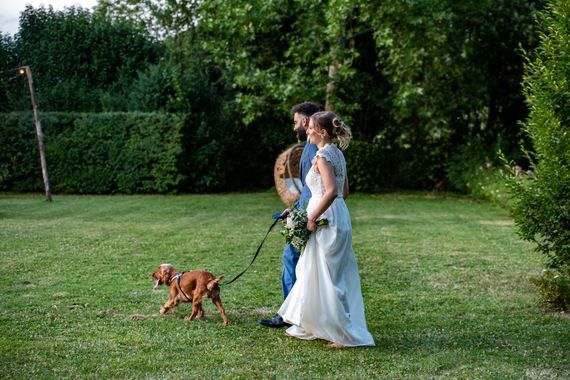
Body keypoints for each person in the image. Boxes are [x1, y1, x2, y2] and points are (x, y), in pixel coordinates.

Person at [278, 111, 375, 348]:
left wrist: (312, 216)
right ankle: (309, 325)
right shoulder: (337, 154)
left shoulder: (323, 156)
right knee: (312, 270)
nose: (307, 130)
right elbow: (344, 192)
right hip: (337, 215)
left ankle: (344, 335)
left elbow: (331, 191)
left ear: (322, 132)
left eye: (310, 127)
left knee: (330, 276)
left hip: (325, 219)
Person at [260, 101, 323, 328]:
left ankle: (290, 314)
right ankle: (297, 312)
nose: (294, 126)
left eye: (295, 122)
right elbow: (310, 186)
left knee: (292, 258)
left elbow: (322, 186)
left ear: (305, 121)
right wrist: (294, 207)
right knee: (298, 261)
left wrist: (306, 214)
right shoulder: (310, 143)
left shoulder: (316, 146)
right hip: (304, 208)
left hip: (310, 214)